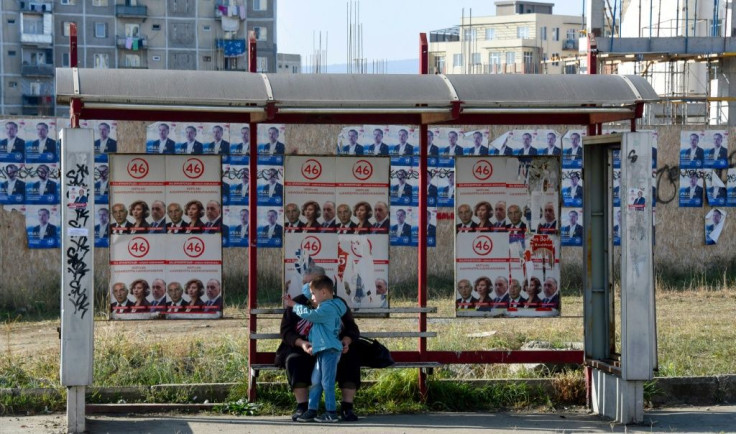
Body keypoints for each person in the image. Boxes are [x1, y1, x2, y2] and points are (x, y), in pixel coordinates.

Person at [276, 268, 361, 422]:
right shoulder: (298, 301)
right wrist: (302, 343)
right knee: (294, 360)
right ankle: (304, 407)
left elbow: (352, 328)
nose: (307, 287)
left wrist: (346, 341)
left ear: (323, 288)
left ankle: (346, 408)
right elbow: (286, 331)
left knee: (351, 358)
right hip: (304, 348)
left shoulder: (335, 304)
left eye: (311, 283)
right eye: (304, 283)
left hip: (332, 347)